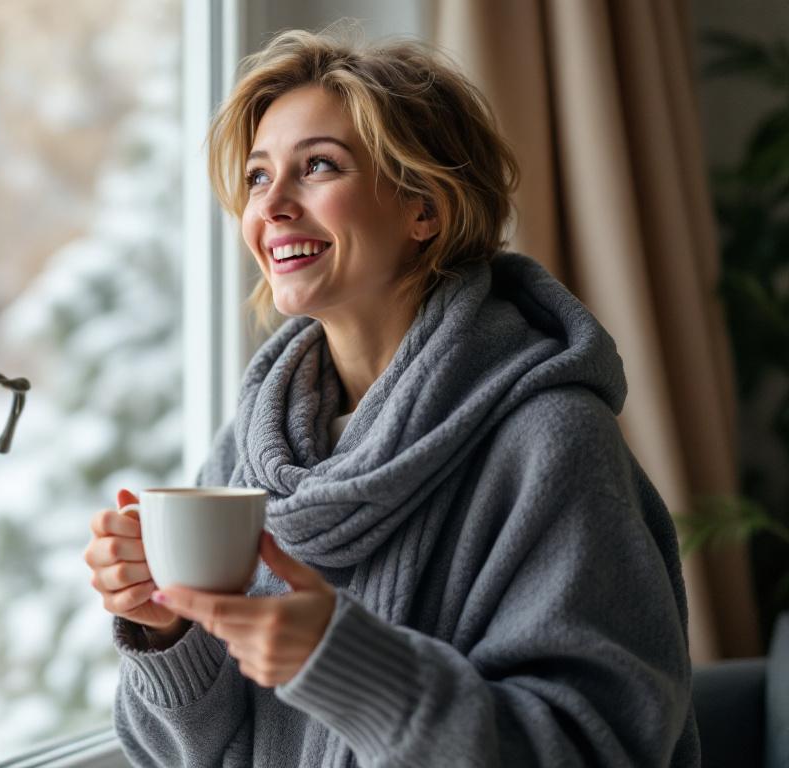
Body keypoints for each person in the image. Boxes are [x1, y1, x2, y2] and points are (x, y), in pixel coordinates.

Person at [82, 27, 699, 768]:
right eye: (255, 176)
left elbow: (597, 750)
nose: (271, 205)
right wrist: (166, 634)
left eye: (317, 167)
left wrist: (348, 666)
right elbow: (186, 756)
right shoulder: (255, 445)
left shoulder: (553, 442)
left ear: (425, 209)